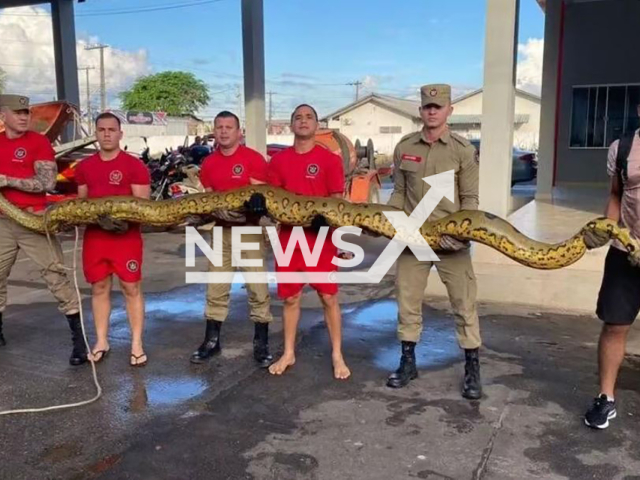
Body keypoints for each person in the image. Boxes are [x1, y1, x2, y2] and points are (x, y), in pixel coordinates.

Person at [386, 84, 482, 399]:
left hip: (452, 242)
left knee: (464, 303)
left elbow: (469, 201)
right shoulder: (404, 147)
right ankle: (408, 362)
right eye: (427, 106)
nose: (432, 111)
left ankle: (472, 368)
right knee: (407, 300)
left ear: (448, 110)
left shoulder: (462, 150)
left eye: (438, 106)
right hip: (413, 239)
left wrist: (462, 233)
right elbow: (398, 192)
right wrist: (389, 224)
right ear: (420, 110)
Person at [245, 104, 351, 380]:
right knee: (290, 298)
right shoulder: (278, 162)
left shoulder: (329, 160)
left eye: (309, 117)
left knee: (328, 297)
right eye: (298, 117)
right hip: (288, 239)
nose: (303, 121)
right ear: (291, 125)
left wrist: (326, 219)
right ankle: (288, 352)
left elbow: (338, 199)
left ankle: (337, 354)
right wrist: (259, 202)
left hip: (321, 239)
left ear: (317, 125)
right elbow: (272, 198)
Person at [0, 94, 86, 365]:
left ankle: (79, 340)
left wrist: (6, 180)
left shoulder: (38, 142)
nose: (24, 117)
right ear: (4, 116)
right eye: (18, 112)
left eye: (26, 112)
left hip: (33, 220)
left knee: (55, 277)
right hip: (2, 221)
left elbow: (47, 182)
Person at [189, 110, 274, 367]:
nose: (224, 131)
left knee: (257, 289)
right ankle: (212, 341)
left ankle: (261, 343)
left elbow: (263, 195)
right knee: (216, 288)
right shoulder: (210, 163)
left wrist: (258, 203)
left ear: (239, 132)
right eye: (219, 127)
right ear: (214, 131)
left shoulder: (253, 159)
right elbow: (210, 198)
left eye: (229, 127)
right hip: (221, 232)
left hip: (248, 231)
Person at [74, 112, 151, 367]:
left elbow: (143, 206)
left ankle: (136, 343)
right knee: (99, 288)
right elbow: (82, 204)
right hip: (96, 239)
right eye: (101, 129)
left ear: (120, 133)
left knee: (131, 288)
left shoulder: (134, 166)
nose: (107, 134)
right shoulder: (84, 167)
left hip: (125, 239)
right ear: (95, 134)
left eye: (111, 129)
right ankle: (101, 341)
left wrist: (123, 221)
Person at [582, 103, 640, 429]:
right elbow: (616, 195)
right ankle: (606, 398)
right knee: (615, 325)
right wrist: (608, 227)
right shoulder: (623, 148)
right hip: (624, 251)